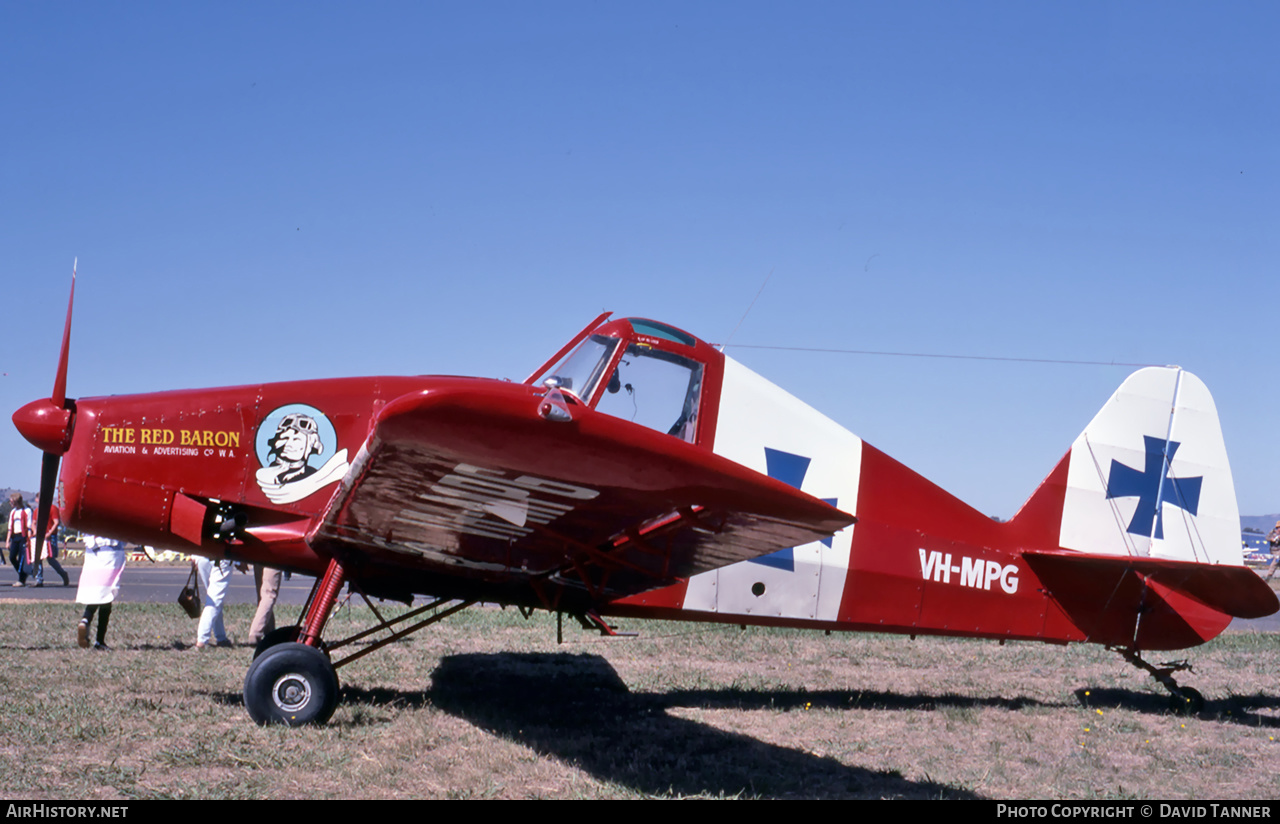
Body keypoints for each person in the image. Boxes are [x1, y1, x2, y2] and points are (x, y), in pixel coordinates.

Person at [77, 534, 127, 650]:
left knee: (97, 591)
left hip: (91, 549)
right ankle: (99, 640)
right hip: (111, 547)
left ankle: (86, 618)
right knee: (106, 595)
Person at [195, 556, 234, 648]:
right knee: (214, 599)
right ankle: (202, 640)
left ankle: (221, 636)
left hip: (203, 556)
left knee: (214, 598)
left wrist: (194, 556)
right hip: (222, 556)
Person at [32, 494, 70, 587]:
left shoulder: (52, 508)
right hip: (40, 537)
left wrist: (49, 533)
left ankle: (63, 574)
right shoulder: (37, 511)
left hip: (50, 537)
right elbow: (33, 523)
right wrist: (35, 531)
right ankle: (39, 579)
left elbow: (56, 522)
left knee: (50, 559)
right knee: (38, 558)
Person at [248, 565, 282, 645]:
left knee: (262, 595)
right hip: (273, 557)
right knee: (269, 594)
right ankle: (255, 633)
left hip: (259, 556)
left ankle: (269, 631)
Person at [8, 493, 34, 587]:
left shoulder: (27, 511)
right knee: (11, 557)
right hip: (15, 537)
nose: (10, 503)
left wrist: (29, 539)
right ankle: (23, 573)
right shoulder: (13, 512)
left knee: (21, 558)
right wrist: (8, 541)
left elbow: (29, 526)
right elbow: (10, 527)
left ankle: (21, 579)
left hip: (23, 536)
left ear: (16, 501)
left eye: (11, 502)